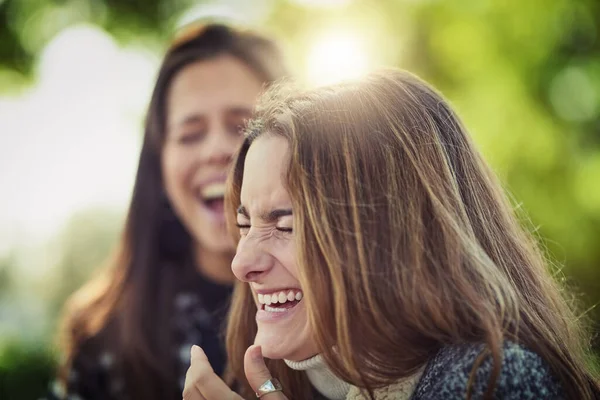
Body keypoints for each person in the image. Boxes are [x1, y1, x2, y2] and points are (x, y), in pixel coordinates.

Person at [183, 70, 600, 400]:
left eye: (286, 225)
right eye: (245, 225)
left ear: (393, 236)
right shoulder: (299, 385)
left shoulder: (491, 382)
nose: (241, 263)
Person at [47, 23, 288, 400]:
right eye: (190, 134)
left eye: (244, 126)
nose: (216, 150)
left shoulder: (356, 316)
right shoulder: (103, 340)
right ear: (158, 165)